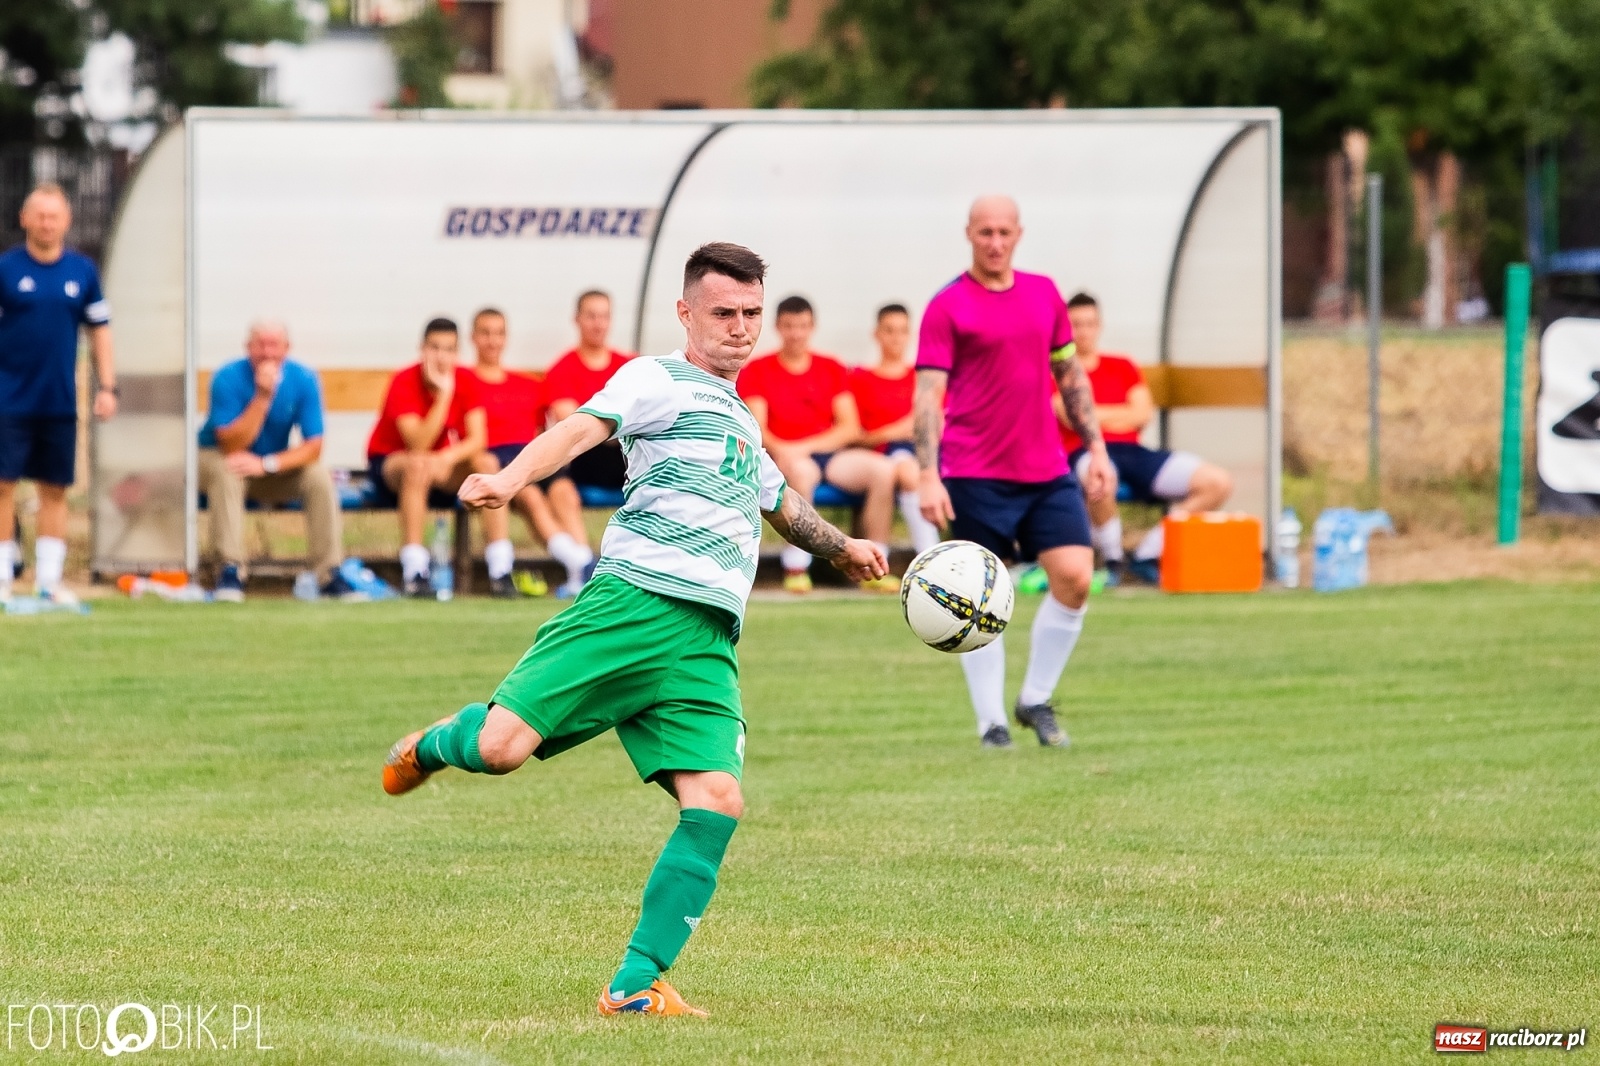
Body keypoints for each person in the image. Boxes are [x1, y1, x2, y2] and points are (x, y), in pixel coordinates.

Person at [381, 242, 887, 1017]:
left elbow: (783, 505)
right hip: (632, 605)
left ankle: (633, 984)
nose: (741, 327)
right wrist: (511, 477)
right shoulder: (654, 378)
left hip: (707, 639)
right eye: (724, 312)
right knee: (501, 750)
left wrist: (843, 548)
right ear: (686, 312)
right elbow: (579, 430)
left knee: (718, 799)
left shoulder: (742, 422)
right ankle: (432, 745)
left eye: (752, 312)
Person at [915, 195, 1115, 749]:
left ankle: (1034, 700)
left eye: (1004, 232)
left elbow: (1070, 376)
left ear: (1019, 234)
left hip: (1046, 468)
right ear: (969, 234)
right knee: (980, 599)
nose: (995, 242)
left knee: (1076, 577)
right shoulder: (947, 306)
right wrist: (928, 475)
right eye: (986, 232)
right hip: (973, 471)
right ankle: (992, 725)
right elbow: (928, 396)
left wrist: (1097, 448)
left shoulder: (1044, 293)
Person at [1057, 292, 1234, 584]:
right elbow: (1072, 416)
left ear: (1099, 326)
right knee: (1098, 475)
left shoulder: (1122, 365)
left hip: (1132, 451)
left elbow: (1142, 414)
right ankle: (1113, 560)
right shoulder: (1058, 370)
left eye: (1090, 324)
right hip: (1085, 452)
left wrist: (1095, 413)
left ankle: (1147, 552)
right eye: (1077, 324)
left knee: (1217, 482)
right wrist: (1120, 414)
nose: (1084, 332)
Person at [0, 182, 116, 606]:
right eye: (40, 216)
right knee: (3, 487)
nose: (47, 224)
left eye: (54, 216)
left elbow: (100, 330)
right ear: (25, 219)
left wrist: (108, 386)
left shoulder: (82, 271)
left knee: (54, 490)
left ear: (66, 221)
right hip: (8, 399)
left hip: (58, 401)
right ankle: (2, 579)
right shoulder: (6, 269)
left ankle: (49, 581)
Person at [737, 295, 900, 594]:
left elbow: (849, 427)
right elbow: (759, 428)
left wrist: (805, 447)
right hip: (786, 456)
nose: (796, 333)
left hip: (830, 456)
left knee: (883, 471)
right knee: (802, 472)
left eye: (802, 326)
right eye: (789, 326)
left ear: (812, 327)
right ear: (777, 327)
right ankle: (796, 567)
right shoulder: (758, 370)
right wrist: (787, 451)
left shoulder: (831, 367)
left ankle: (876, 564)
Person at [198, 320, 359, 601]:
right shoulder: (226, 377)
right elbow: (231, 444)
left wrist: (268, 464)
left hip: (266, 465)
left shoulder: (304, 379)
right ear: (248, 347)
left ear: (287, 348)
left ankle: (329, 573)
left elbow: (314, 447)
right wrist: (262, 397)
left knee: (318, 476)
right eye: (260, 345)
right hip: (218, 457)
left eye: (274, 345)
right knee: (228, 471)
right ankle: (229, 569)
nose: (267, 353)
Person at [366, 317, 515, 598]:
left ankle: (501, 569)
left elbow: (478, 439)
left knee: (487, 464)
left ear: (457, 352)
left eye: (448, 349)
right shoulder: (404, 380)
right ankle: (415, 571)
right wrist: (444, 395)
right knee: (417, 466)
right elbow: (418, 444)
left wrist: (448, 457)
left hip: (438, 465)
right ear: (422, 349)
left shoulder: (467, 379)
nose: (441, 357)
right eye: (434, 348)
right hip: (392, 466)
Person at [468, 307, 595, 596]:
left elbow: (542, 432)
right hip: (494, 461)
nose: (492, 341)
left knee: (564, 492)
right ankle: (581, 562)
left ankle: (582, 574)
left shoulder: (527, 384)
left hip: (530, 456)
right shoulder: (465, 380)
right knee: (530, 497)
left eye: (499, 333)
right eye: (485, 333)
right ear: (473, 337)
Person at [846, 303, 942, 555]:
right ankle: (929, 553)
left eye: (902, 331)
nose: (896, 338)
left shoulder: (923, 379)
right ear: (877, 334)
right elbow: (854, 436)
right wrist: (897, 430)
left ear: (910, 335)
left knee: (913, 470)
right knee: (906, 471)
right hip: (881, 457)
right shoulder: (860, 379)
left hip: (923, 454)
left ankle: (933, 553)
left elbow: (938, 424)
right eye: (889, 330)